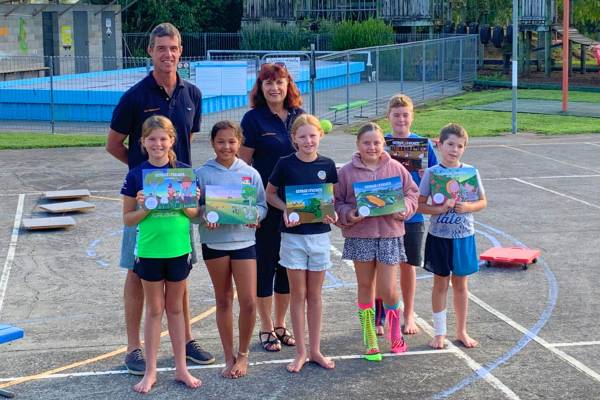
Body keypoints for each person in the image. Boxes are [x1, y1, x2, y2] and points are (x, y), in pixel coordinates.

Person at [106, 22, 214, 375]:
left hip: (179, 201)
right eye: (161, 48)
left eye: (174, 48)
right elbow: (113, 144)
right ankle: (134, 347)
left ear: (181, 51)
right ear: (150, 52)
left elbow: (187, 141)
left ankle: (185, 339)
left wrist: (173, 176)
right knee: (138, 272)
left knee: (180, 270)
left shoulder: (192, 94)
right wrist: (142, 174)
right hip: (145, 202)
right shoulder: (135, 97)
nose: (168, 54)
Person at [121, 115, 201, 393]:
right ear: (142, 143)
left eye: (162, 138)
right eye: (152, 139)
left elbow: (194, 216)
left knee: (176, 309)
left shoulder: (183, 172)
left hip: (179, 250)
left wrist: (189, 202)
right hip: (150, 251)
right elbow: (128, 219)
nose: (158, 144)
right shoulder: (136, 175)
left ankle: (181, 368)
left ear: (172, 140)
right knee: (154, 310)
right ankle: (151, 371)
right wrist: (144, 207)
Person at [334, 122, 419, 361]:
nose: (372, 147)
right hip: (361, 236)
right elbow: (337, 201)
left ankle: (394, 333)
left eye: (376, 142)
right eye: (366, 142)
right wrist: (349, 215)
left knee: (388, 289)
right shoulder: (347, 172)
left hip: (389, 235)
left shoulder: (395, 168)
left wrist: (405, 209)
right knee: (364, 286)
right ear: (358, 144)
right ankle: (370, 336)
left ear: (384, 144)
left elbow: (412, 193)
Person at [239, 62, 304, 352]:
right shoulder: (253, 120)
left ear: (288, 85)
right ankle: (265, 328)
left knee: (287, 268)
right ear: (260, 88)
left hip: (299, 207)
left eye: (279, 82)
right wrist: (245, 208)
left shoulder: (300, 117)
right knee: (265, 267)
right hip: (267, 207)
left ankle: (280, 324)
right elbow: (242, 167)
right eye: (268, 83)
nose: (274, 88)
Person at [195, 121, 267, 379]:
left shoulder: (250, 173)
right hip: (215, 243)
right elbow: (193, 212)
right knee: (223, 300)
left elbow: (262, 206)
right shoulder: (202, 174)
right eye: (221, 141)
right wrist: (205, 214)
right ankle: (228, 355)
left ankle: (244, 353)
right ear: (213, 143)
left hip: (244, 243)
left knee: (248, 302)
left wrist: (254, 216)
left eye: (231, 141)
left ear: (239, 142)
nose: (226, 146)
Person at [266, 114, 337, 373]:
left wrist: (334, 213)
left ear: (320, 135)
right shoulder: (285, 163)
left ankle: (315, 350)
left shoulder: (328, 164)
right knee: (298, 295)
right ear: (294, 138)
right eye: (303, 136)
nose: (308, 140)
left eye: (312, 135)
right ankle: (301, 352)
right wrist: (285, 209)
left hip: (319, 236)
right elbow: (270, 194)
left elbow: (332, 199)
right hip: (293, 237)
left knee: (315, 295)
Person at [417, 123, 487, 349]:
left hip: (464, 236)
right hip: (439, 236)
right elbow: (419, 205)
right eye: (450, 144)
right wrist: (438, 209)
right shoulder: (432, 173)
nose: (454, 150)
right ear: (439, 144)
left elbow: (482, 202)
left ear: (464, 148)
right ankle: (439, 333)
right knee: (440, 284)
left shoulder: (471, 172)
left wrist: (467, 207)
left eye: (459, 146)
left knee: (460, 285)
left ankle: (461, 331)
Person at [374, 94, 439, 336]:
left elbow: (433, 176)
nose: (401, 119)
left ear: (412, 116)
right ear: (388, 117)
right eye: (396, 114)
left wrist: (424, 177)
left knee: (408, 265)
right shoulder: (381, 142)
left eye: (405, 114)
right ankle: (379, 315)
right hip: (384, 214)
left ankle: (408, 314)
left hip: (412, 215)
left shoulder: (423, 145)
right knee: (381, 266)